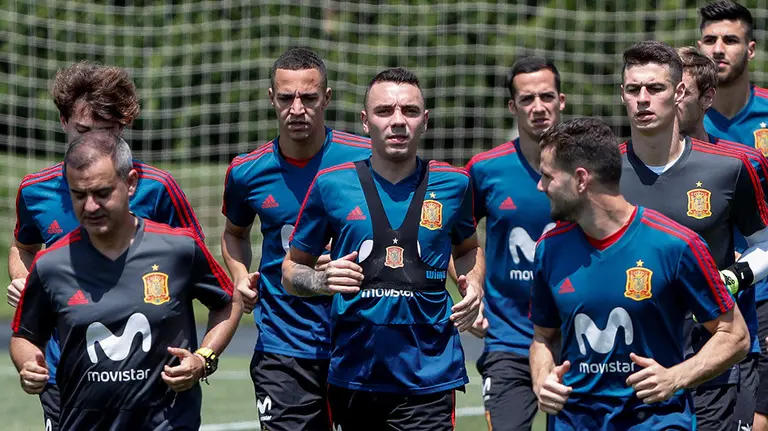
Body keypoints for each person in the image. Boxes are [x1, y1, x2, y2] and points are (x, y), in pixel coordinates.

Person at [281, 67, 484, 430]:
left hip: (430, 374)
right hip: (354, 373)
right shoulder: (331, 185)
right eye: (384, 111)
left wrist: (475, 284)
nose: (397, 121)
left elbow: (468, 247)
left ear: (425, 120)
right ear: (365, 121)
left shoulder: (455, 183)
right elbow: (291, 272)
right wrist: (321, 280)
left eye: (409, 111)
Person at [6, 60, 203, 431]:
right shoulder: (35, 191)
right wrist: (26, 278)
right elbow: (23, 247)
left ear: (123, 129)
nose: (94, 142)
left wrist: (201, 355)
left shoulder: (157, 188)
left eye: (108, 132)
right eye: (83, 130)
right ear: (63, 122)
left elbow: (193, 265)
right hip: (67, 373)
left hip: (151, 380)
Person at [10, 131, 242, 430]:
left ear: (130, 183)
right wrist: (29, 365)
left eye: (102, 193)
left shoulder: (179, 248)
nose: (90, 206)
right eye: (79, 195)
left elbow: (227, 301)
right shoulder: (51, 264)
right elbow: (25, 335)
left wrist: (203, 358)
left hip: (168, 422)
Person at [530, 117, 750, 430]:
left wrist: (675, 377)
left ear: (580, 180)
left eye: (548, 176)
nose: (540, 186)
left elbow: (735, 335)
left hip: (656, 421)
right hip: (573, 421)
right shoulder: (549, 249)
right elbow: (543, 337)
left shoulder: (675, 245)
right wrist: (542, 379)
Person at [618, 40, 768, 431]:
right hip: (631, 361)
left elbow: (764, 245)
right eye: (634, 90)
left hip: (715, 357)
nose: (644, 100)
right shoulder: (604, 171)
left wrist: (729, 280)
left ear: (680, 92)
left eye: (655, 88)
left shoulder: (734, 166)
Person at [220, 47, 371, 430]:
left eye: (309, 97)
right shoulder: (246, 172)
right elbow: (234, 234)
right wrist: (240, 277)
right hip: (283, 344)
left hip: (360, 338)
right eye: (286, 98)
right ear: (272, 98)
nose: (297, 108)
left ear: (327, 98)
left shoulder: (368, 159)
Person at [462, 56, 562, 430]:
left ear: (561, 101)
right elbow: (459, 241)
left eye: (546, 97)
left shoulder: (590, 168)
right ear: (512, 106)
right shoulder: (486, 169)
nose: (538, 108)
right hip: (508, 340)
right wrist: (470, 293)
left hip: (577, 342)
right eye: (526, 99)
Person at [698, 3, 768, 428]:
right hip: (702, 298)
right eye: (709, 40)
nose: (718, 50)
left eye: (730, 40)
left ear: (752, 49)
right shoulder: (679, 119)